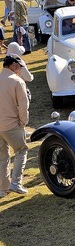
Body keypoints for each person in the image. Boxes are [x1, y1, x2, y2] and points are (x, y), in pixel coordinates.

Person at [0, 54, 30, 197]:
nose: (19, 69)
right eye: (18, 67)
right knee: (21, 151)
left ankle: (2, 188)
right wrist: (23, 122)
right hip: (11, 124)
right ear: (13, 66)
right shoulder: (17, 81)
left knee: (2, 156)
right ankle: (16, 183)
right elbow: (23, 106)